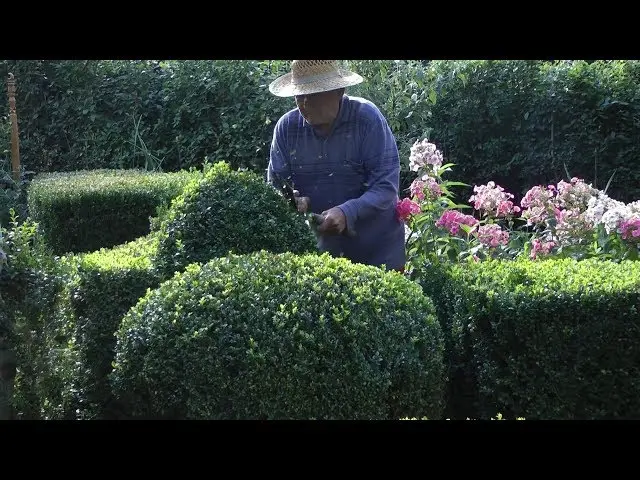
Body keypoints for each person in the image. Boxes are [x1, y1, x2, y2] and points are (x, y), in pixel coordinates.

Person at [266, 60, 406, 273]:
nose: (304, 102)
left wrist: (346, 211)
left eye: (313, 94)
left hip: (378, 254)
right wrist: (292, 201)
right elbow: (274, 188)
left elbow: (386, 188)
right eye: (299, 94)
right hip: (319, 258)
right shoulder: (287, 129)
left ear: (339, 90)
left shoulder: (367, 120)